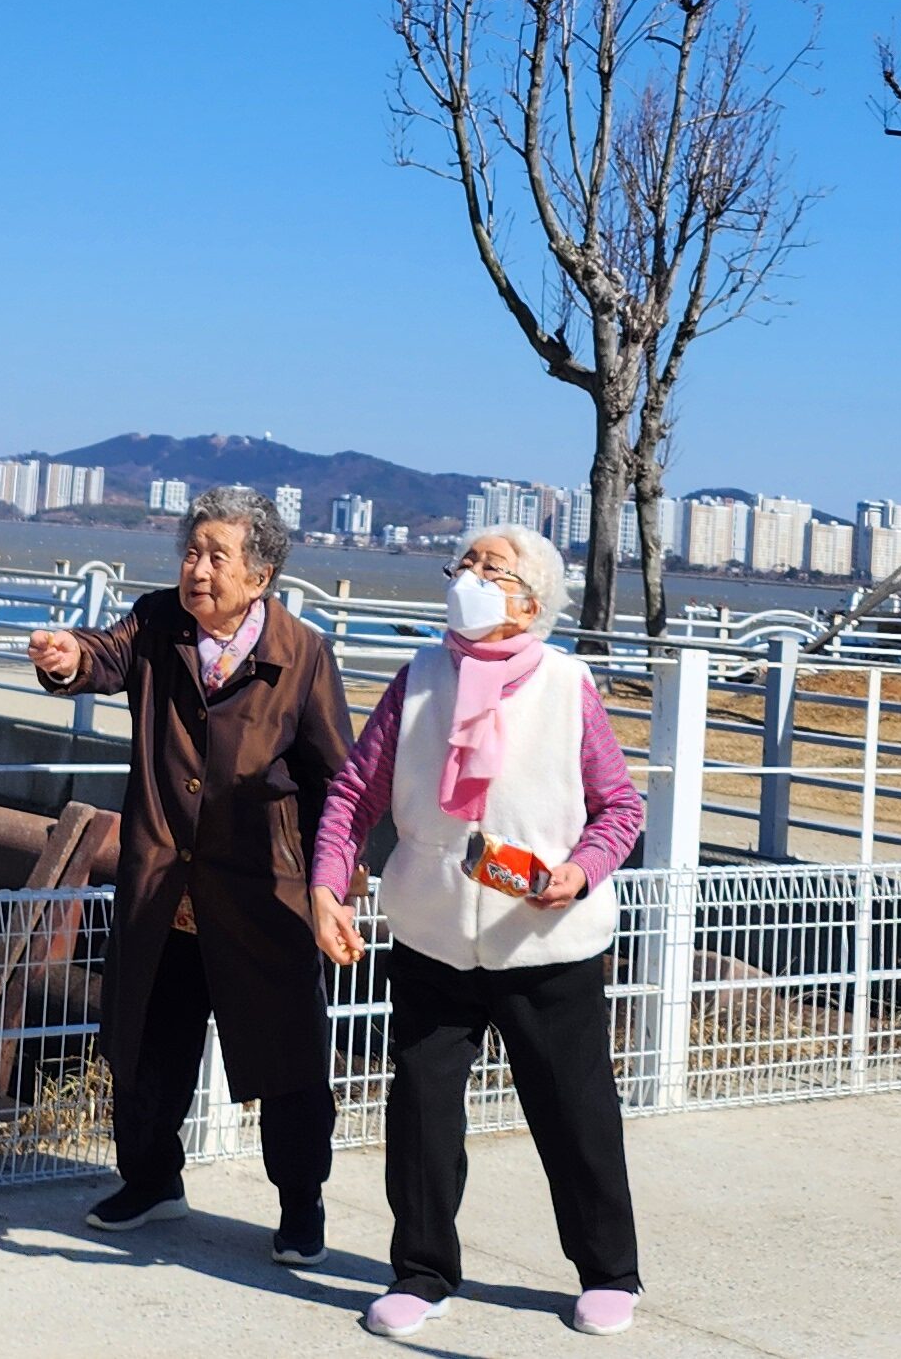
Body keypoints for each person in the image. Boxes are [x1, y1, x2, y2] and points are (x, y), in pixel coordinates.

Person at [310, 524, 647, 1339]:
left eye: (490, 569)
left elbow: (620, 808)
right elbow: (355, 793)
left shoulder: (568, 685)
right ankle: (421, 1273)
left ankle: (609, 1272)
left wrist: (581, 871)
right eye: (463, 562)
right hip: (431, 931)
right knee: (421, 1111)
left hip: (546, 941)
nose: (469, 576)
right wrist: (326, 885)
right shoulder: (419, 677)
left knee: (574, 1112)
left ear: (530, 604)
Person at [27, 486, 351, 1264]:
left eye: (216, 556)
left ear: (260, 575)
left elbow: (338, 782)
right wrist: (68, 660)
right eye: (191, 552)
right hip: (165, 886)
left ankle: (300, 1203)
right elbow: (105, 655)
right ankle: (150, 1182)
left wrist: (333, 885)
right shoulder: (157, 621)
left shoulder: (304, 654)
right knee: (145, 1043)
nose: (197, 569)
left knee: (287, 1058)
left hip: (261, 893)